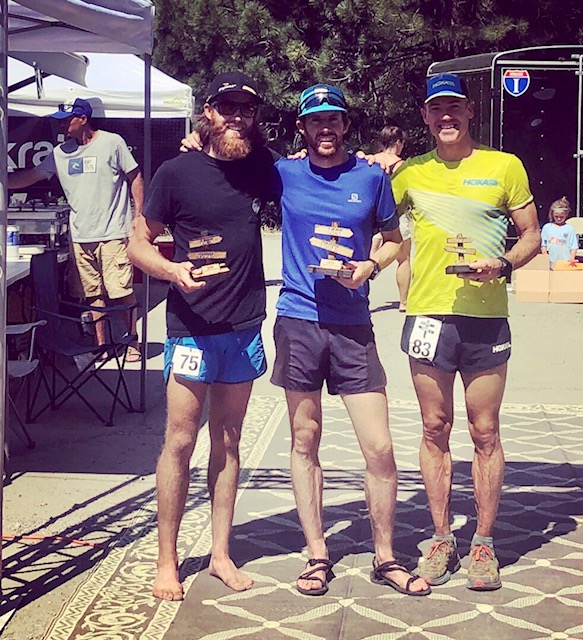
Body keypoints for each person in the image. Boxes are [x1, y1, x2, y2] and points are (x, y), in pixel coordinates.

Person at [270, 83, 429, 597]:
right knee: (305, 439)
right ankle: (317, 554)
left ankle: (386, 556)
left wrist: (370, 266)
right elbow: (229, 165)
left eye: (333, 119)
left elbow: (394, 241)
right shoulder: (284, 172)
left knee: (379, 447)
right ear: (302, 127)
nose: (325, 128)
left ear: (344, 124)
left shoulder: (370, 176)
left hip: (353, 325)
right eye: (316, 119)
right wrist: (195, 140)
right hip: (298, 320)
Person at [127, 72, 276, 600]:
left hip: (243, 327)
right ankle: (167, 562)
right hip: (191, 329)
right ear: (208, 111)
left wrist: (376, 162)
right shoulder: (175, 172)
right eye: (226, 107)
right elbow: (138, 245)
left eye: (246, 109)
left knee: (228, 440)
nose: (236, 117)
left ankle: (220, 555)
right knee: (180, 441)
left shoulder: (262, 165)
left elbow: (316, 168)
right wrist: (172, 272)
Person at [391, 73, 541, 591]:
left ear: (470, 111)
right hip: (427, 316)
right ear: (425, 117)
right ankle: (440, 538)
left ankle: (483, 543)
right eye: (436, 109)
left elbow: (532, 234)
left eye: (454, 107)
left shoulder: (504, 166)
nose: (446, 116)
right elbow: (376, 221)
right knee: (434, 427)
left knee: (485, 432)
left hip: (485, 317)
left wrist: (503, 264)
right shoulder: (409, 172)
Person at [7, 98, 143, 361]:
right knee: (92, 294)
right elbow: (31, 176)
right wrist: (4, 180)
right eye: (59, 120)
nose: (61, 125)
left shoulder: (112, 143)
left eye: (66, 120)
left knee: (120, 292)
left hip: (114, 233)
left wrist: (138, 216)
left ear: (83, 119)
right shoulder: (60, 153)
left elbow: (135, 176)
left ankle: (132, 342)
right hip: (80, 236)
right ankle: (101, 345)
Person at [370, 125, 411, 311]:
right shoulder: (402, 165)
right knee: (403, 259)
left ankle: (362, 292)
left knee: (366, 259)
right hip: (395, 214)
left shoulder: (372, 160)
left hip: (372, 216)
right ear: (398, 142)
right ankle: (403, 302)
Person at [541, 196, 579, 268]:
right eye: (556, 216)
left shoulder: (570, 229)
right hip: (550, 262)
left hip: (565, 262)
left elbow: (573, 247)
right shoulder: (547, 227)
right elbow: (543, 244)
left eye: (561, 217)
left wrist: (572, 258)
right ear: (552, 214)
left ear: (566, 214)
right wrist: (544, 255)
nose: (559, 219)